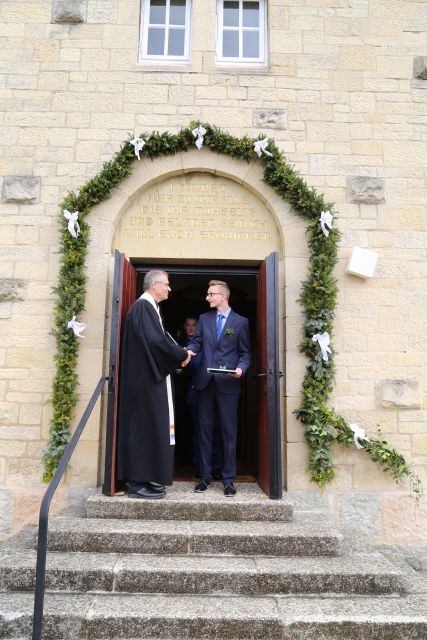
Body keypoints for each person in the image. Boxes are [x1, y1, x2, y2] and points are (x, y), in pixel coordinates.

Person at [117, 270, 193, 500]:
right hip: (143, 383)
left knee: (151, 428)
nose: (170, 289)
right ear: (154, 285)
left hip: (147, 380)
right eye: (167, 285)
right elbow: (155, 341)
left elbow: (161, 338)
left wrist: (179, 352)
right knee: (144, 428)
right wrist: (180, 354)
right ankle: (137, 483)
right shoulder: (143, 307)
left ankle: (146, 479)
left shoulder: (151, 308)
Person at [187, 280, 250, 497]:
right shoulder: (204, 319)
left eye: (211, 294)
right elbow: (196, 343)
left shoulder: (240, 322)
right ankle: (205, 476)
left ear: (222, 296)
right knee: (204, 432)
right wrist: (188, 351)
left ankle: (228, 479)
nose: (207, 298)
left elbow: (245, 353)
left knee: (228, 433)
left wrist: (241, 369)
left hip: (228, 385)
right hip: (205, 383)